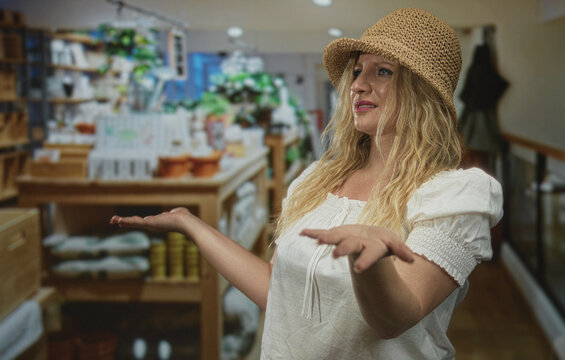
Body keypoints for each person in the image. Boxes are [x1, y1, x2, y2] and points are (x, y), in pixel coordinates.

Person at [111, 8, 503, 359]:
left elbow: (395, 320)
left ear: (423, 92)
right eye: (357, 70)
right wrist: (189, 223)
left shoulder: (454, 194)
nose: (358, 85)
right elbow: (277, 292)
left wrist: (370, 262)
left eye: (382, 71)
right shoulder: (317, 180)